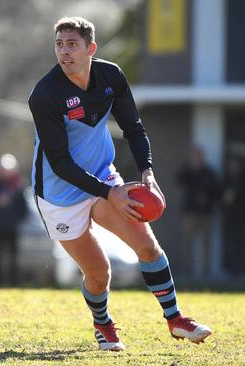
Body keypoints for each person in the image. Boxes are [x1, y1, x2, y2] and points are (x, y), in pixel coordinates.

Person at [28, 17, 211, 351]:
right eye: (59, 44)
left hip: (102, 175)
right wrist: (109, 191)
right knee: (99, 273)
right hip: (59, 192)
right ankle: (103, 325)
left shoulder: (110, 76)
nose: (64, 52)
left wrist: (147, 173)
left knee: (146, 245)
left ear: (90, 49)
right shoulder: (45, 94)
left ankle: (176, 319)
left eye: (72, 44)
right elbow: (60, 162)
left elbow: (134, 128)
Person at [175, 146, 221, 279]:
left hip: (206, 214)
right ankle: (188, 270)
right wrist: (190, 167)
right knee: (188, 243)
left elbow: (217, 190)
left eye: (199, 156)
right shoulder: (187, 171)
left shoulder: (209, 172)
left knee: (207, 243)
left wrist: (207, 198)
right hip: (189, 213)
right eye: (194, 156)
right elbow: (178, 179)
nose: (197, 159)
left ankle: (206, 271)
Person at [0, 153, 28, 287]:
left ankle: (13, 282)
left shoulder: (17, 186)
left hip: (12, 226)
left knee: (13, 256)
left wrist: (17, 218)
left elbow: (23, 207)